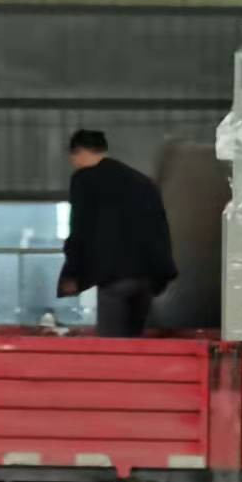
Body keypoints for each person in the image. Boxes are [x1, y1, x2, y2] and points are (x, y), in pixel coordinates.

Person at [58, 130, 177, 338]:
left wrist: (71, 273)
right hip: (147, 278)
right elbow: (160, 228)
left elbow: (81, 228)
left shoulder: (85, 179)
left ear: (78, 153)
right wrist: (161, 275)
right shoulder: (143, 182)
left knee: (112, 347)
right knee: (134, 344)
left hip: (114, 278)